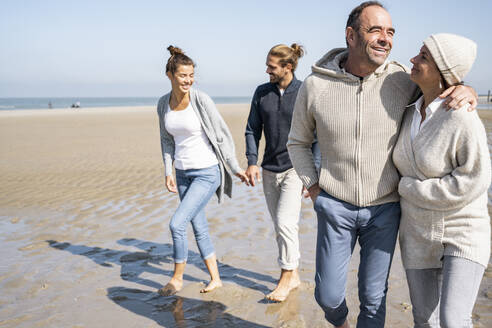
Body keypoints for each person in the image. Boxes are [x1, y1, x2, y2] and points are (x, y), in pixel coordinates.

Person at [286, 2, 478, 327]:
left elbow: (440, 86)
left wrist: (466, 88)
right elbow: (298, 142)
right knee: (328, 296)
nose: (385, 39)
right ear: (351, 35)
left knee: (374, 298)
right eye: (375, 30)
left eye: (390, 32)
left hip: (386, 210)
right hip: (335, 207)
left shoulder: (403, 80)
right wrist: (315, 187)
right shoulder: (315, 86)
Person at [392, 34, 490, 327]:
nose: (413, 59)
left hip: (462, 231)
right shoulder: (409, 108)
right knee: (424, 319)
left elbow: (474, 179)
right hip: (417, 235)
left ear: (444, 71)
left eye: (423, 56)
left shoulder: (461, 116)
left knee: (452, 319)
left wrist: (409, 188)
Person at [156, 46, 248, 296]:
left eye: (191, 75)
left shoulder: (201, 100)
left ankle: (177, 278)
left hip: (207, 172)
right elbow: (166, 140)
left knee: (176, 224)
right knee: (198, 226)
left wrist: (234, 166)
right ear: (170, 75)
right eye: (183, 75)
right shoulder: (163, 103)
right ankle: (216, 278)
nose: (188, 80)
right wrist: (168, 171)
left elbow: (221, 135)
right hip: (183, 173)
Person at [245, 43, 320, 302]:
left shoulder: (305, 91)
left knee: (286, 222)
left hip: (295, 168)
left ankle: (286, 277)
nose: (267, 70)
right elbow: (252, 129)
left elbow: (317, 134)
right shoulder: (262, 92)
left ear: (288, 67)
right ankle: (295, 273)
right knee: (280, 225)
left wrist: (313, 172)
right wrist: (252, 161)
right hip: (269, 168)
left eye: (271, 66)